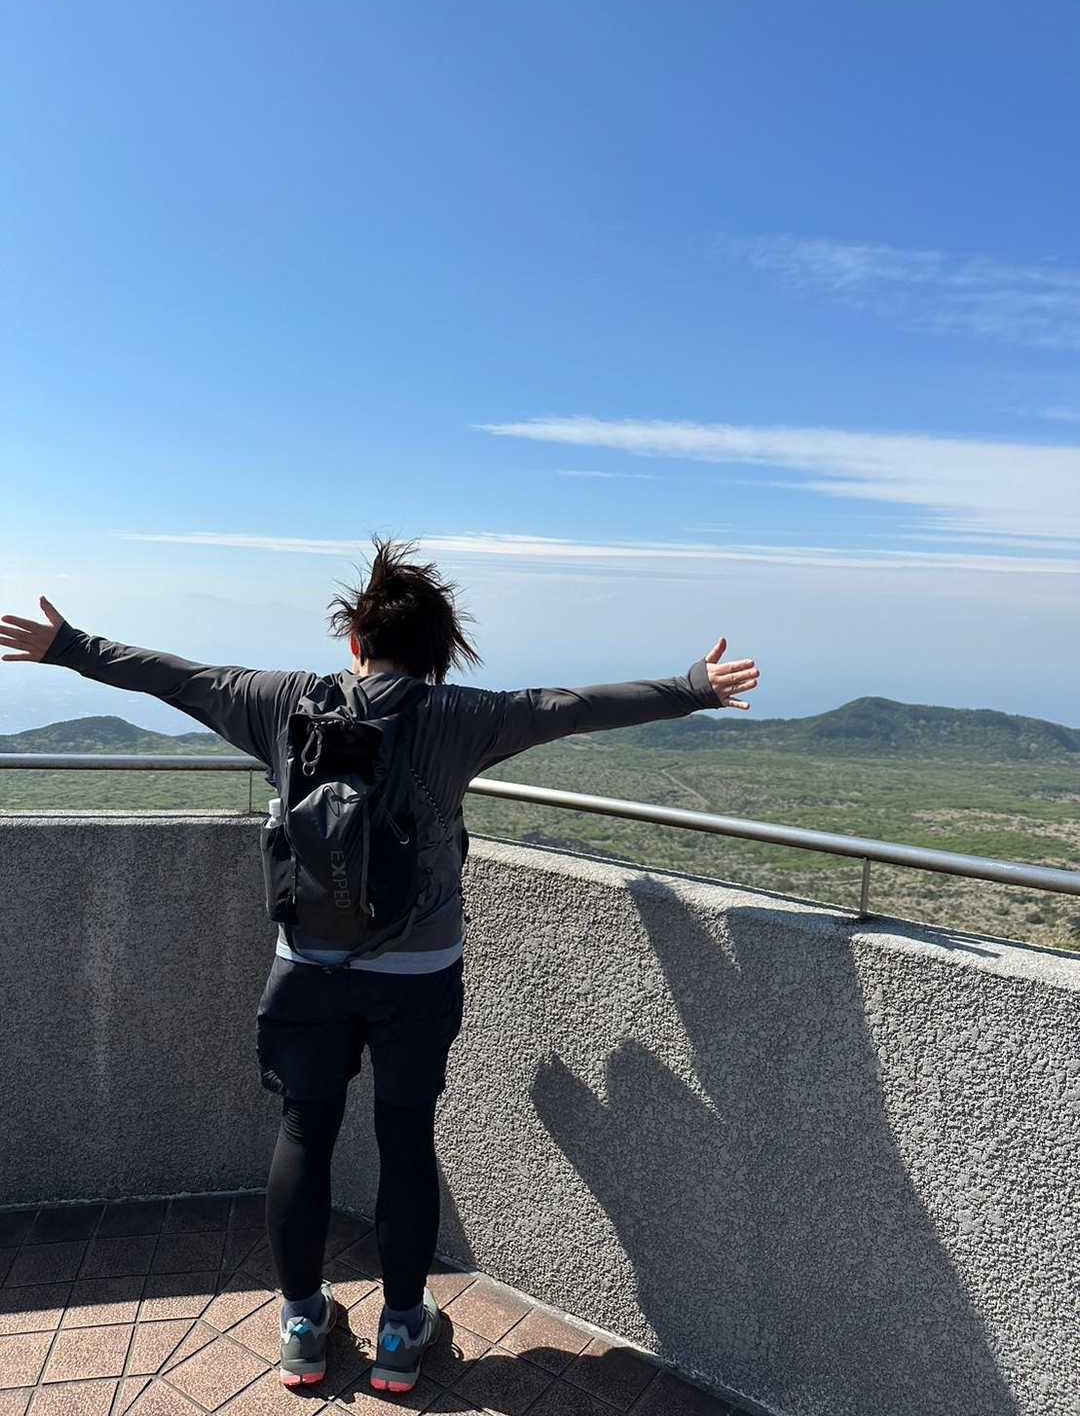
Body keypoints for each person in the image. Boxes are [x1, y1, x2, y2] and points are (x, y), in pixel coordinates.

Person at [0, 534, 760, 1394]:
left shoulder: (280, 701)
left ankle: (302, 1326)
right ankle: (402, 1332)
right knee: (405, 1141)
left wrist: (69, 646)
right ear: (439, 654)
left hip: (307, 967)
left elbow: (176, 678)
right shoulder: (463, 717)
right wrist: (693, 688)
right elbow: (573, 706)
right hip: (418, 972)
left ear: (354, 640)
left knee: (303, 1133)